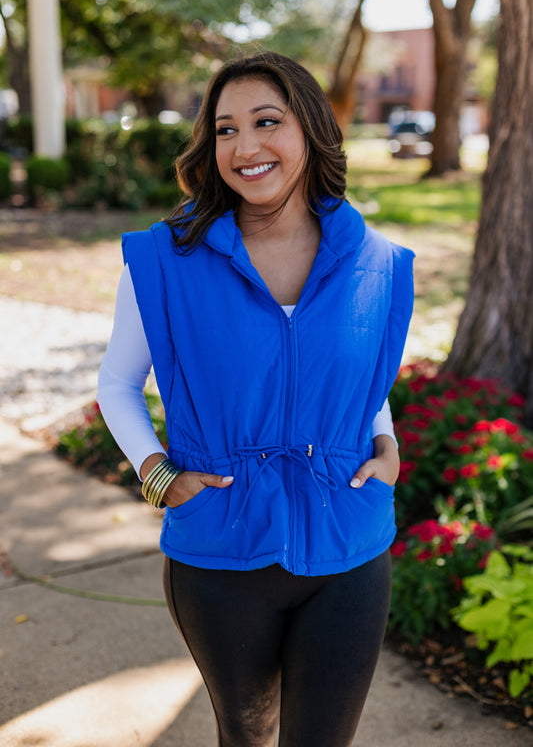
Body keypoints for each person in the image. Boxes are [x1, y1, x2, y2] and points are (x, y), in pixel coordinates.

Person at [97, 50, 414, 747]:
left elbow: (362, 378)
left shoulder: (379, 265)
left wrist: (385, 444)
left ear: (309, 130)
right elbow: (117, 383)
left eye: (266, 122)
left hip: (349, 547)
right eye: (224, 130)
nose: (245, 147)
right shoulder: (162, 261)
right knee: (244, 737)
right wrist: (158, 476)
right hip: (219, 551)